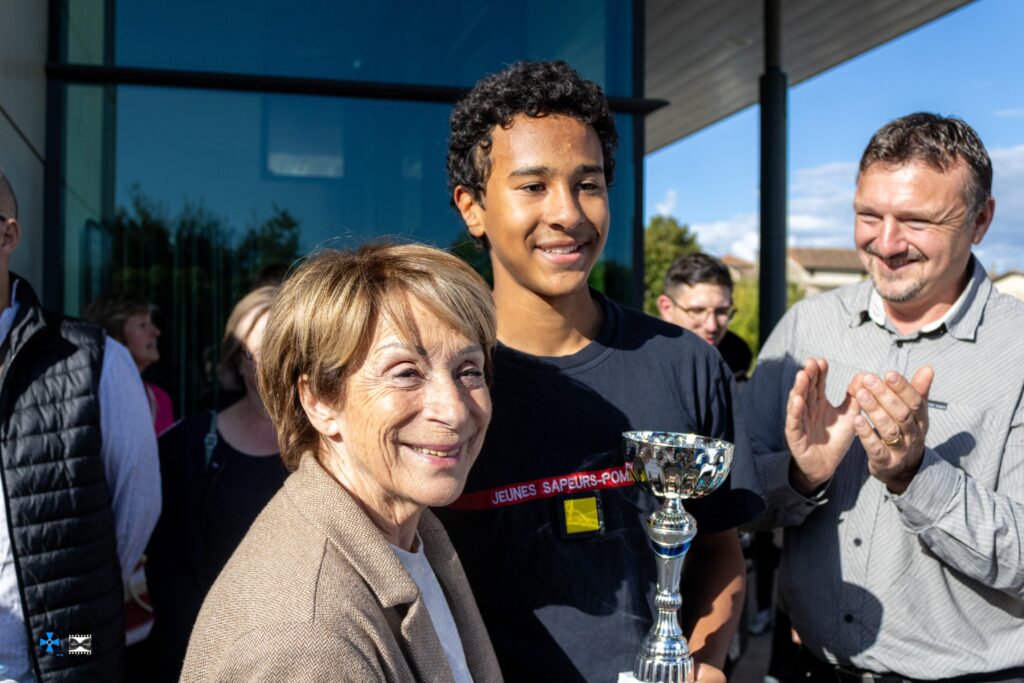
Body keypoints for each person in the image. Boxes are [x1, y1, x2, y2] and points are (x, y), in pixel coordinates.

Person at [440, 60, 760, 683]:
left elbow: (720, 549)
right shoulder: (442, 386)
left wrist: (706, 663)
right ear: (473, 208)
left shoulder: (686, 364)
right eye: (533, 187)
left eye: (588, 184)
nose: (568, 214)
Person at [743, 113, 1024, 680]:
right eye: (868, 215)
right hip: (810, 669)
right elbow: (735, 501)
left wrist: (916, 476)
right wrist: (801, 479)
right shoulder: (806, 328)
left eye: (917, 220)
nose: (886, 243)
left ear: (981, 220)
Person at [181, 244, 502, 681]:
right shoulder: (305, 640)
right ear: (318, 401)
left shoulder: (408, 532)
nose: (456, 411)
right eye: (406, 372)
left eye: (469, 370)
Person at [0, 170, 160, 680]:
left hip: (57, 646)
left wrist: (73, 610)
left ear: (7, 234)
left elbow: (138, 502)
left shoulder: (91, 358)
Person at [145, 285, 286, 681]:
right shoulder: (188, 445)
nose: (270, 366)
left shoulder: (331, 444)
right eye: (257, 353)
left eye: (284, 350)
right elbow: (160, 563)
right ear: (236, 362)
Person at [84, 293, 174, 434]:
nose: (156, 332)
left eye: (152, 324)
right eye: (143, 325)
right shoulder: (94, 396)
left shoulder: (160, 399)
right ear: (115, 335)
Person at [658, 252, 753, 381]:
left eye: (721, 311)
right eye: (697, 311)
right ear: (666, 308)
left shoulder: (743, 387)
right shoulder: (637, 375)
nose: (712, 326)